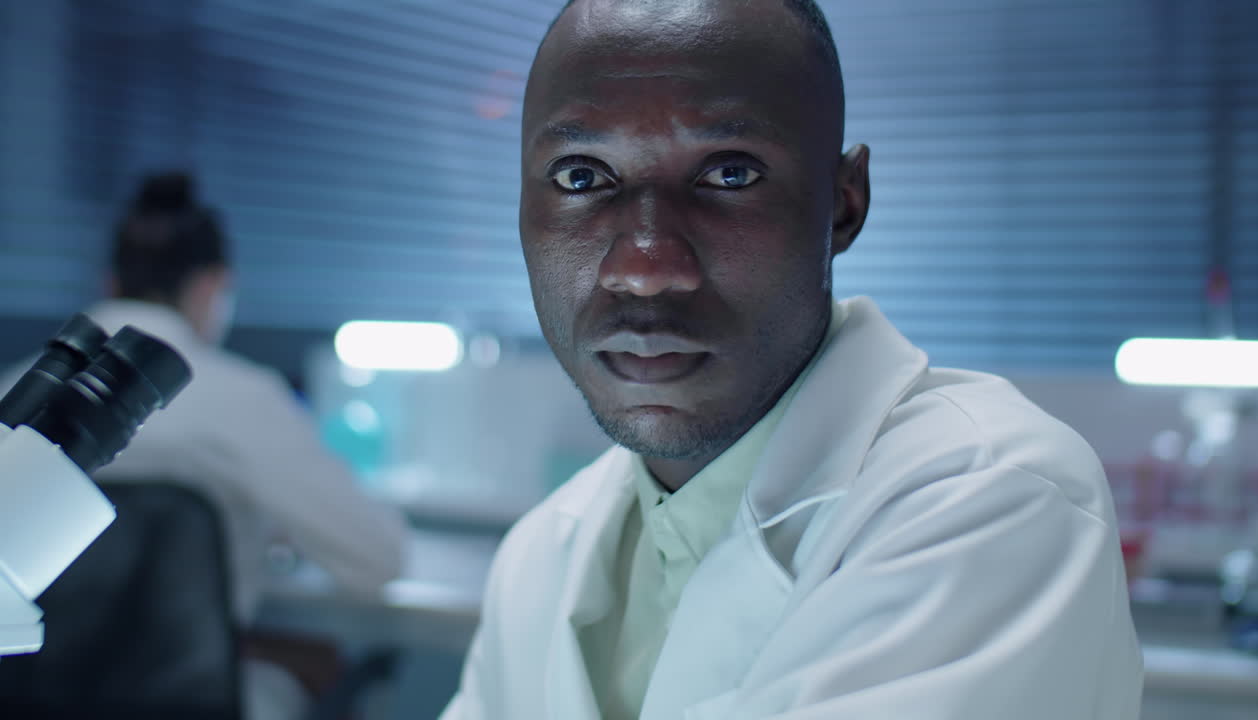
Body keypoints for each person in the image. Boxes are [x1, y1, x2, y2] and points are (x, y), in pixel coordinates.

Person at [442, 1, 1143, 718]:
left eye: (730, 175)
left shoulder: (996, 498)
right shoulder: (541, 555)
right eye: (581, 178)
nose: (646, 266)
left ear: (843, 206)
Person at [4, 172, 408, 719]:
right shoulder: (242, 397)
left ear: (108, 281)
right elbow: (377, 558)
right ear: (213, 287)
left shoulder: (14, 390)